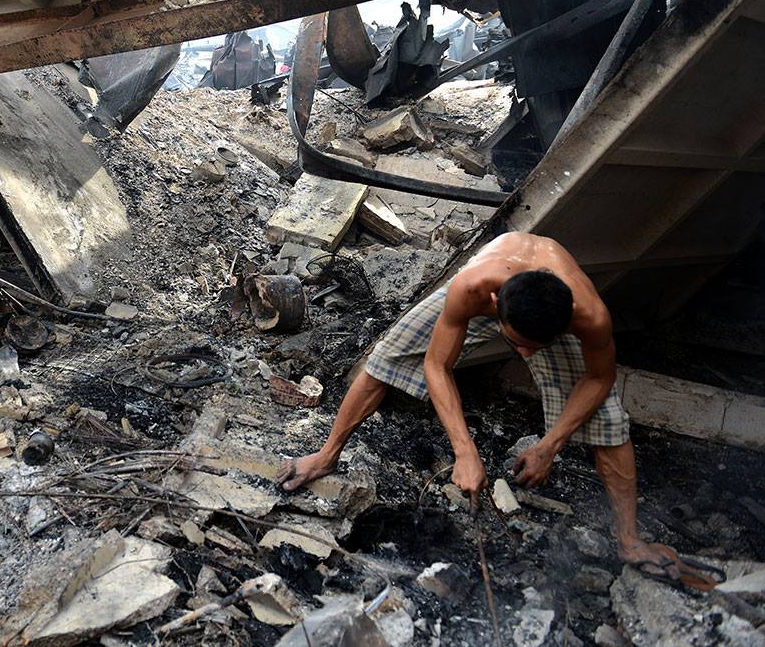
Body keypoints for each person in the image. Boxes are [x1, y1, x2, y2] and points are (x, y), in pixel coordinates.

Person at [276, 232, 715, 588]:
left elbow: (599, 379)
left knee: (610, 423)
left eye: (535, 347)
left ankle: (629, 540)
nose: (524, 354)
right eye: (517, 343)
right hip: (493, 284)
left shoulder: (589, 316)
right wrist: (465, 452)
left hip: (542, 306)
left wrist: (549, 445)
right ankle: (326, 456)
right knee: (385, 359)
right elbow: (437, 365)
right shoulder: (473, 288)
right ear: (494, 307)